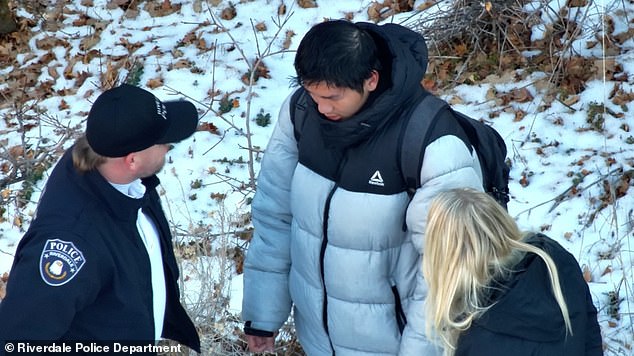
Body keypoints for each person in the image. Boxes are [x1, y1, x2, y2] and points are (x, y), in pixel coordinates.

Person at [242, 19, 484, 355]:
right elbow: (274, 216)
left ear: (371, 80)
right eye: (313, 94)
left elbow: (447, 274)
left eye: (332, 97)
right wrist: (262, 315)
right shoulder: (300, 113)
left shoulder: (431, 141)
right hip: (318, 341)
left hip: (394, 345)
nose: (322, 108)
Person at [0, 84, 201, 352]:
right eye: (164, 142)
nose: (167, 148)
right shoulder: (73, 242)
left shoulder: (118, 174)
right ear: (132, 160)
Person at [422, 188, 603, 356]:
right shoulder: (555, 262)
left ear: (443, 257)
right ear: (501, 222)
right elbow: (590, 337)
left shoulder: (475, 340)